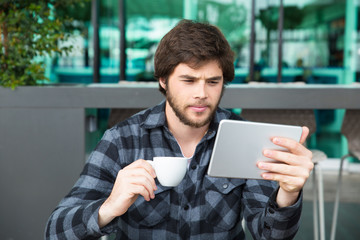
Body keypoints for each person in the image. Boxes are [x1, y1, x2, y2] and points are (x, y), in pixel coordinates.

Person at [45, 19, 313, 239]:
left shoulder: (244, 139)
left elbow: (269, 235)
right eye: (188, 80)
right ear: (163, 80)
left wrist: (287, 194)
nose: (201, 93)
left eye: (213, 81)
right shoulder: (123, 139)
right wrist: (109, 207)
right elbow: (55, 231)